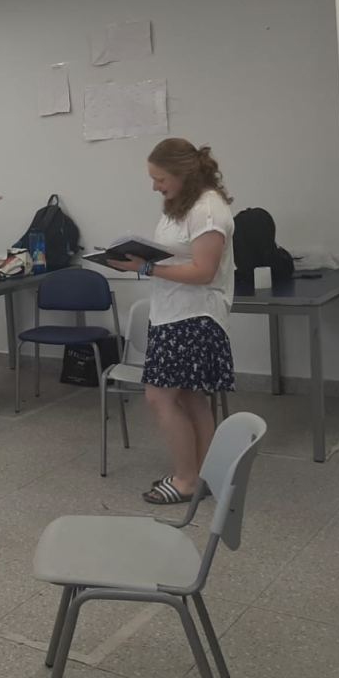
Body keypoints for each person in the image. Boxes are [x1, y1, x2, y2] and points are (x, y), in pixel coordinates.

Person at [107, 139, 236, 505]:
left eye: (160, 179)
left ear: (182, 174)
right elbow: (181, 256)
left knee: (159, 396)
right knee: (192, 398)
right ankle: (203, 475)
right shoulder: (182, 205)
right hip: (172, 313)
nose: (155, 186)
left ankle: (186, 481)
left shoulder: (207, 211)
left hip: (194, 317)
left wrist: (146, 267)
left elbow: (204, 271)